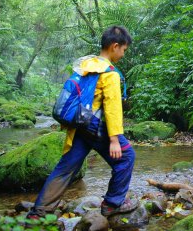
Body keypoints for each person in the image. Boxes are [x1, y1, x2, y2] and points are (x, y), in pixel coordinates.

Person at [27, 26, 137, 218]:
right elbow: (112, 109)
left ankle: (38, 213)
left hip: (79, 125)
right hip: (95, 126)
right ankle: (113, 203)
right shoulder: (109, 73)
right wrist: (114, 139)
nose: (123, 54)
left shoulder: (86, 64)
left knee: (65, 169)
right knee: (127, 157)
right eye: (124, 50)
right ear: (115, 46)